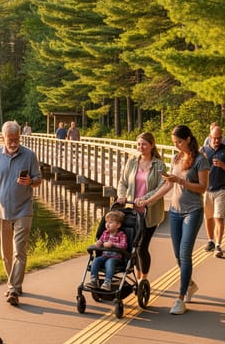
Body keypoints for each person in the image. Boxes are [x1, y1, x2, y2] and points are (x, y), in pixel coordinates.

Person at [136, 125, 209, 315]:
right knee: (178, 256)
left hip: (192, 211)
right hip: (175, 212)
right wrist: (148, 201)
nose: (176, 145)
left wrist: (181, 182)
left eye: (179, 142)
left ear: (188, 139)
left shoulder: (201, 160)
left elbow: (202, 188)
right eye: (174, 142)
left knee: (185, 254)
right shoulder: (176, 158)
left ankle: (180, 298)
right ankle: (190, 284)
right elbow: (168, 185)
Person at [0, 121, 42, 306]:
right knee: (6, 253)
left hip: (24, 208)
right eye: (10, 140)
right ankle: (14, 283)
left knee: (20, 251)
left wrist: (30, 182)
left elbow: (38, 179)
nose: (14, 143)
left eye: (17, 140)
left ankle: (13, 288)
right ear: (3, 138)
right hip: (1, 210)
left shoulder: (29, 155)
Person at [116, 132, 166, 281]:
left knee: (142, 247)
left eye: (144, 144)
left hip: (149, 213)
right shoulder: (132, 162)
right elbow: (123, 182)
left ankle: (143, 278)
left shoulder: (159, 164)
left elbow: (161, 187)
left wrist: (144, 199)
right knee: (133, 246)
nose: (140, 147)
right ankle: (138, 277)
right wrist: (122, 195)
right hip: (132, 212)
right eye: (138, 144)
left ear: (152, 145)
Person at [202, 124, 225, 258]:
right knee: (208, 217)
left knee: (218, 217)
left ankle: (218, 245)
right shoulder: (204, 150)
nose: (217, 140)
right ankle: (210, 240)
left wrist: (223, 165)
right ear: (210, 137)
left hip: (221, 188)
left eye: (219, 138)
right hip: (206, 189)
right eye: (215, 138)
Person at [87, 210, 128, 291]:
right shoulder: (105, 233)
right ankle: (94, 280)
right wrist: (99, 242)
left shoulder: (121, 235)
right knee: (96, 261)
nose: (107, 224)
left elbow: (124, 246)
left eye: (111, 222)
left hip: (116, 258)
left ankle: (107, 283)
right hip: (104, 256)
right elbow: (101, 241)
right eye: (107, 222)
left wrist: (112, 244)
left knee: (109, 262)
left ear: (118, 225)